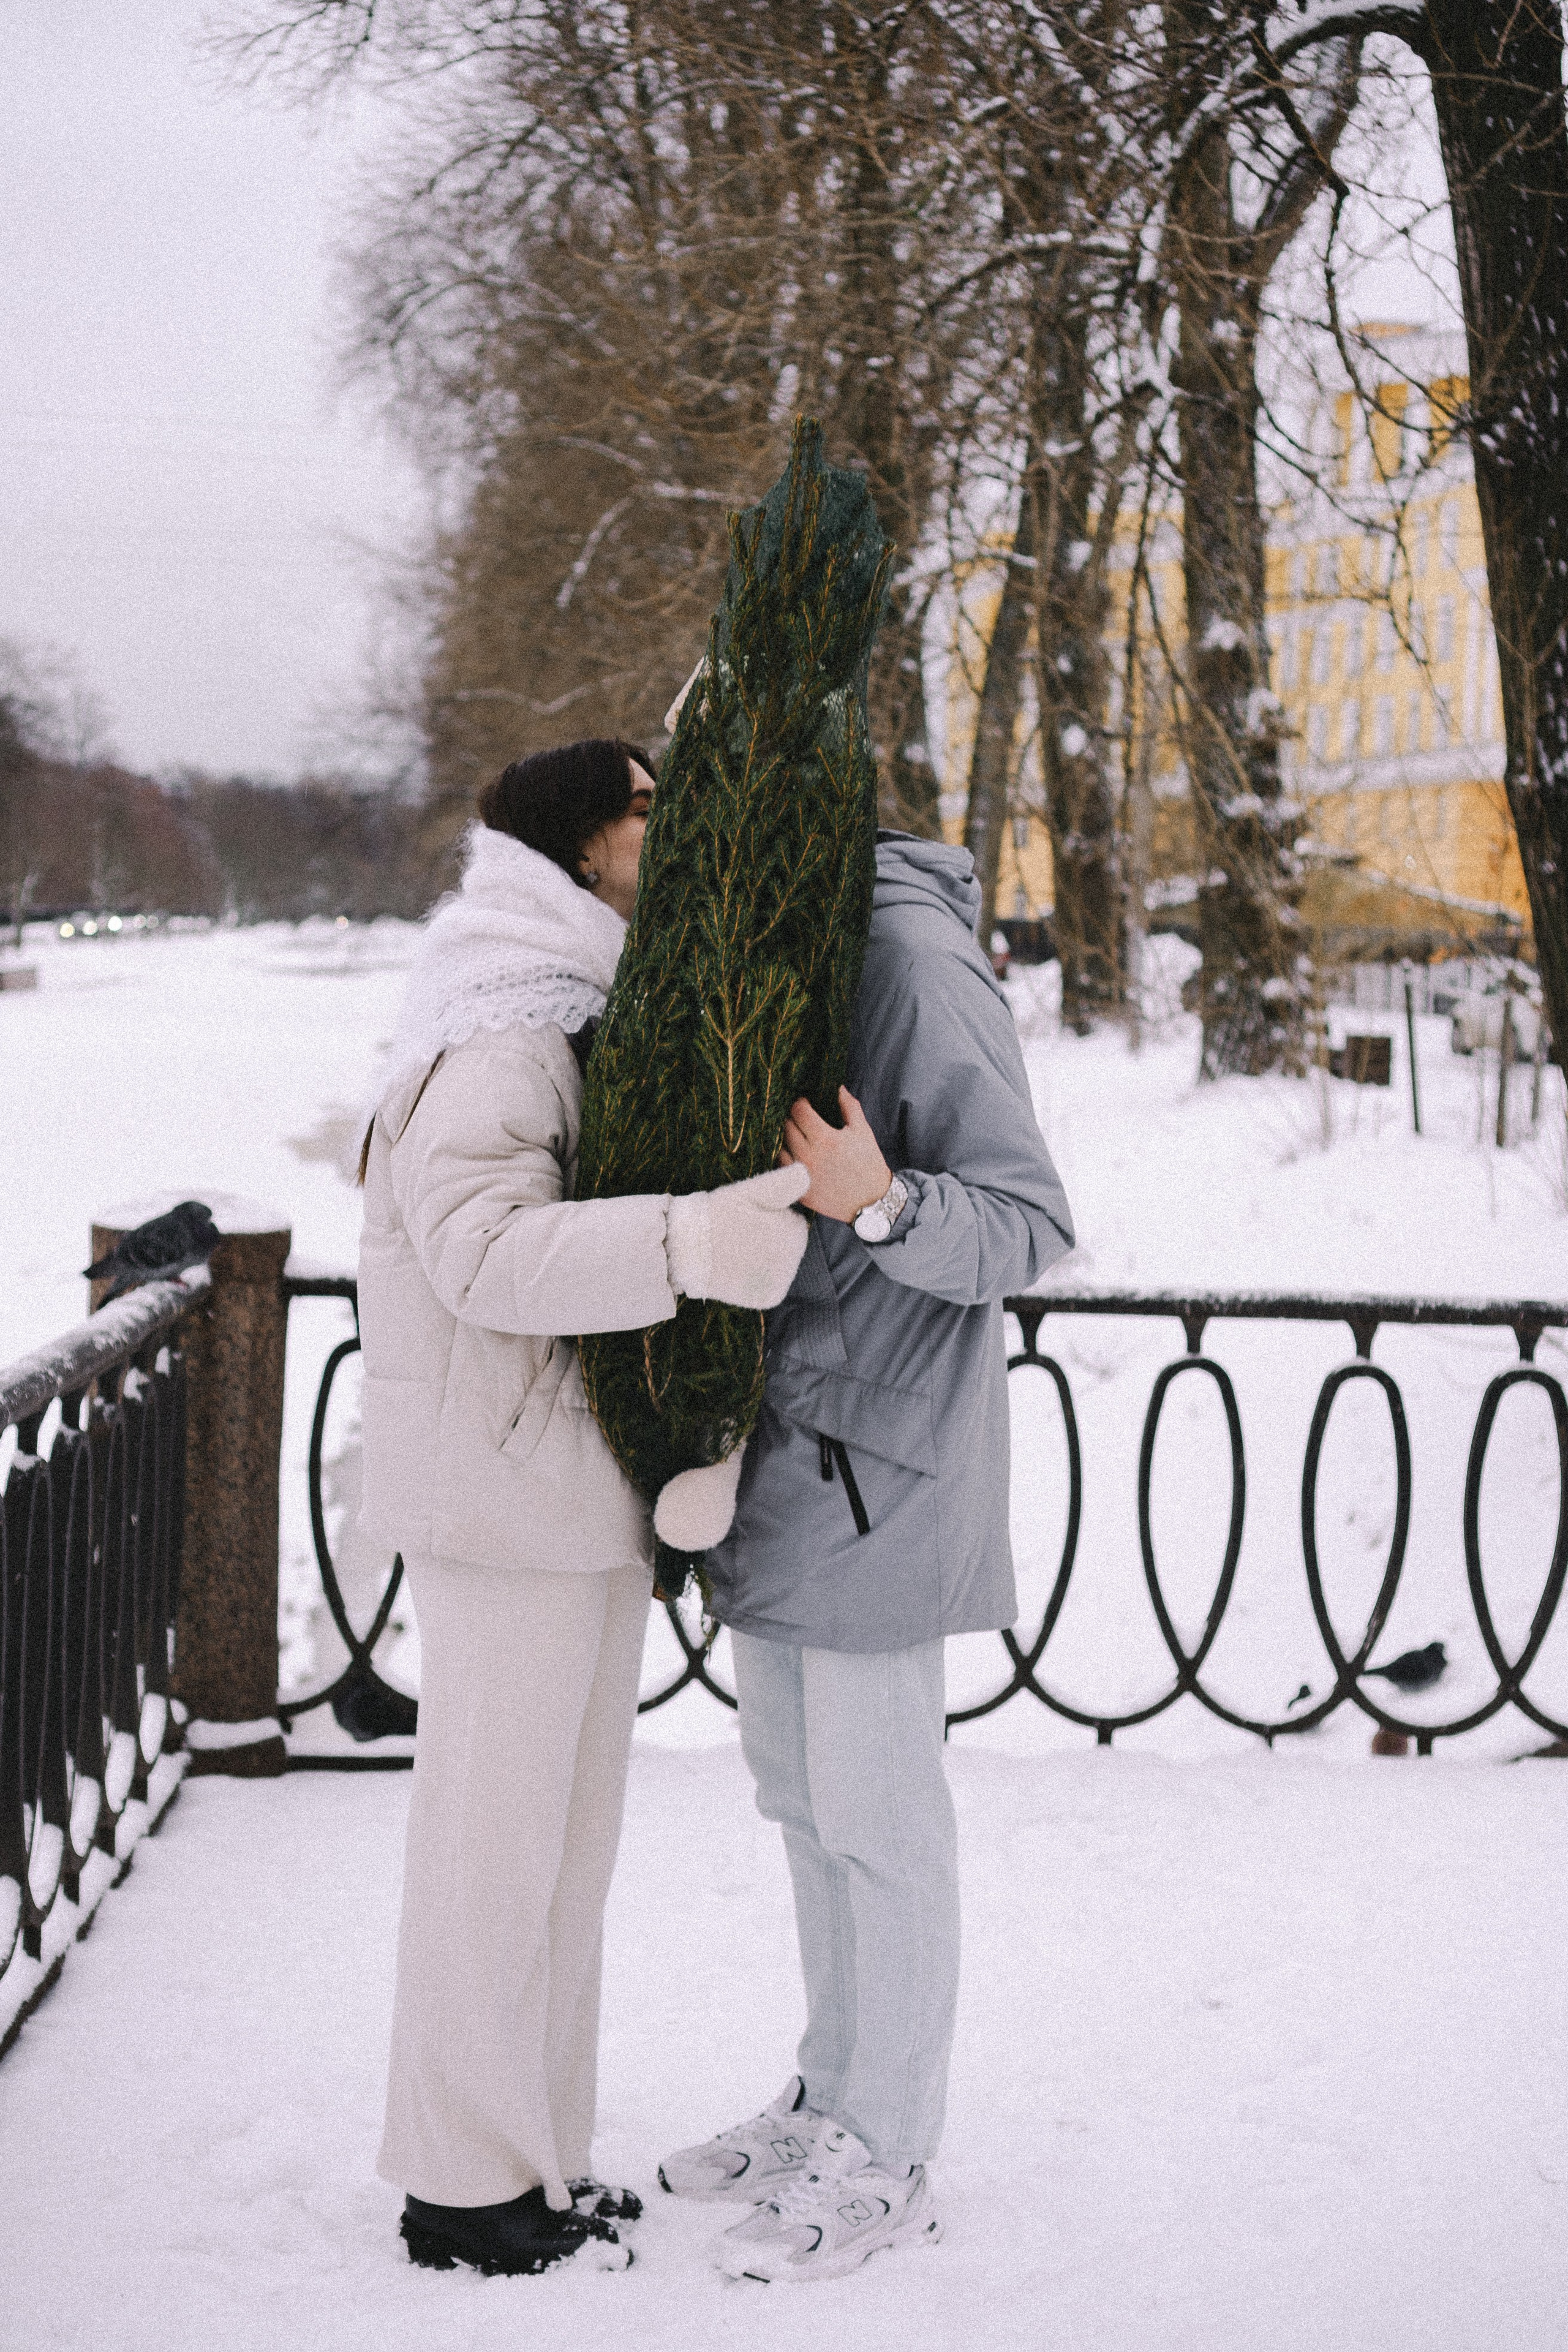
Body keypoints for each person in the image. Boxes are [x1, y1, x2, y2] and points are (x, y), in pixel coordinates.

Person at [356, 737, 812, 2278]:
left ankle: (530, 2156)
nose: (667, 831)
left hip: (553, 1488)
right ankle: (460, 2180)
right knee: (495, 1850)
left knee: (557, 1850)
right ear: (578, 848)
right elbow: (482, 1257)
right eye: (645, 810)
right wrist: (688, 1243)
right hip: (505, 1499)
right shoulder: (503, 1028)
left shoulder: (558, 1001)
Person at [660, 829, 1074, 2283]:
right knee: (799, 1799)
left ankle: (889, 2148)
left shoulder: (901, 951)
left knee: (880, 1821)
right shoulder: (773, 940)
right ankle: (829, 2096)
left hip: (877, 1467)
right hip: (785, 1454)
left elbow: (1027, 1223)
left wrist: (881, 1200)